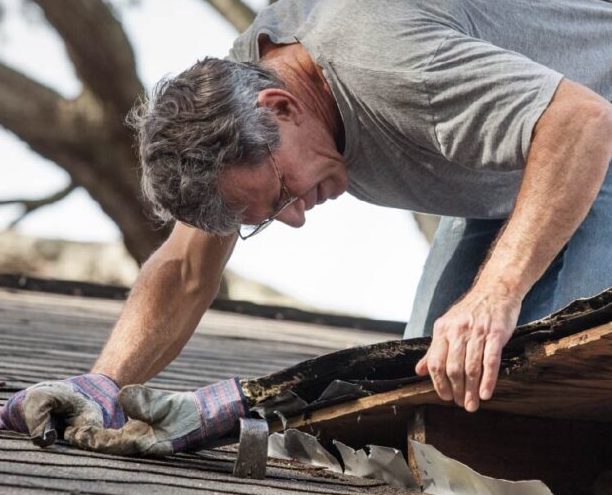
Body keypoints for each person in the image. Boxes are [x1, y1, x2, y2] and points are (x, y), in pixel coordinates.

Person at [2, 0, 611, 454]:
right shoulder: (236, 86)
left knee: (557, 384)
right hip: (515, 170)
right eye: (266, 219)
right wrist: (104, 386)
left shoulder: (390, 63)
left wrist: (494, 295)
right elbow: (187, 268)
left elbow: (582, 122)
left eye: (284, 193)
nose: (294, 217)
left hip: (594, 135)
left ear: (281, 109)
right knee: (435, 396)